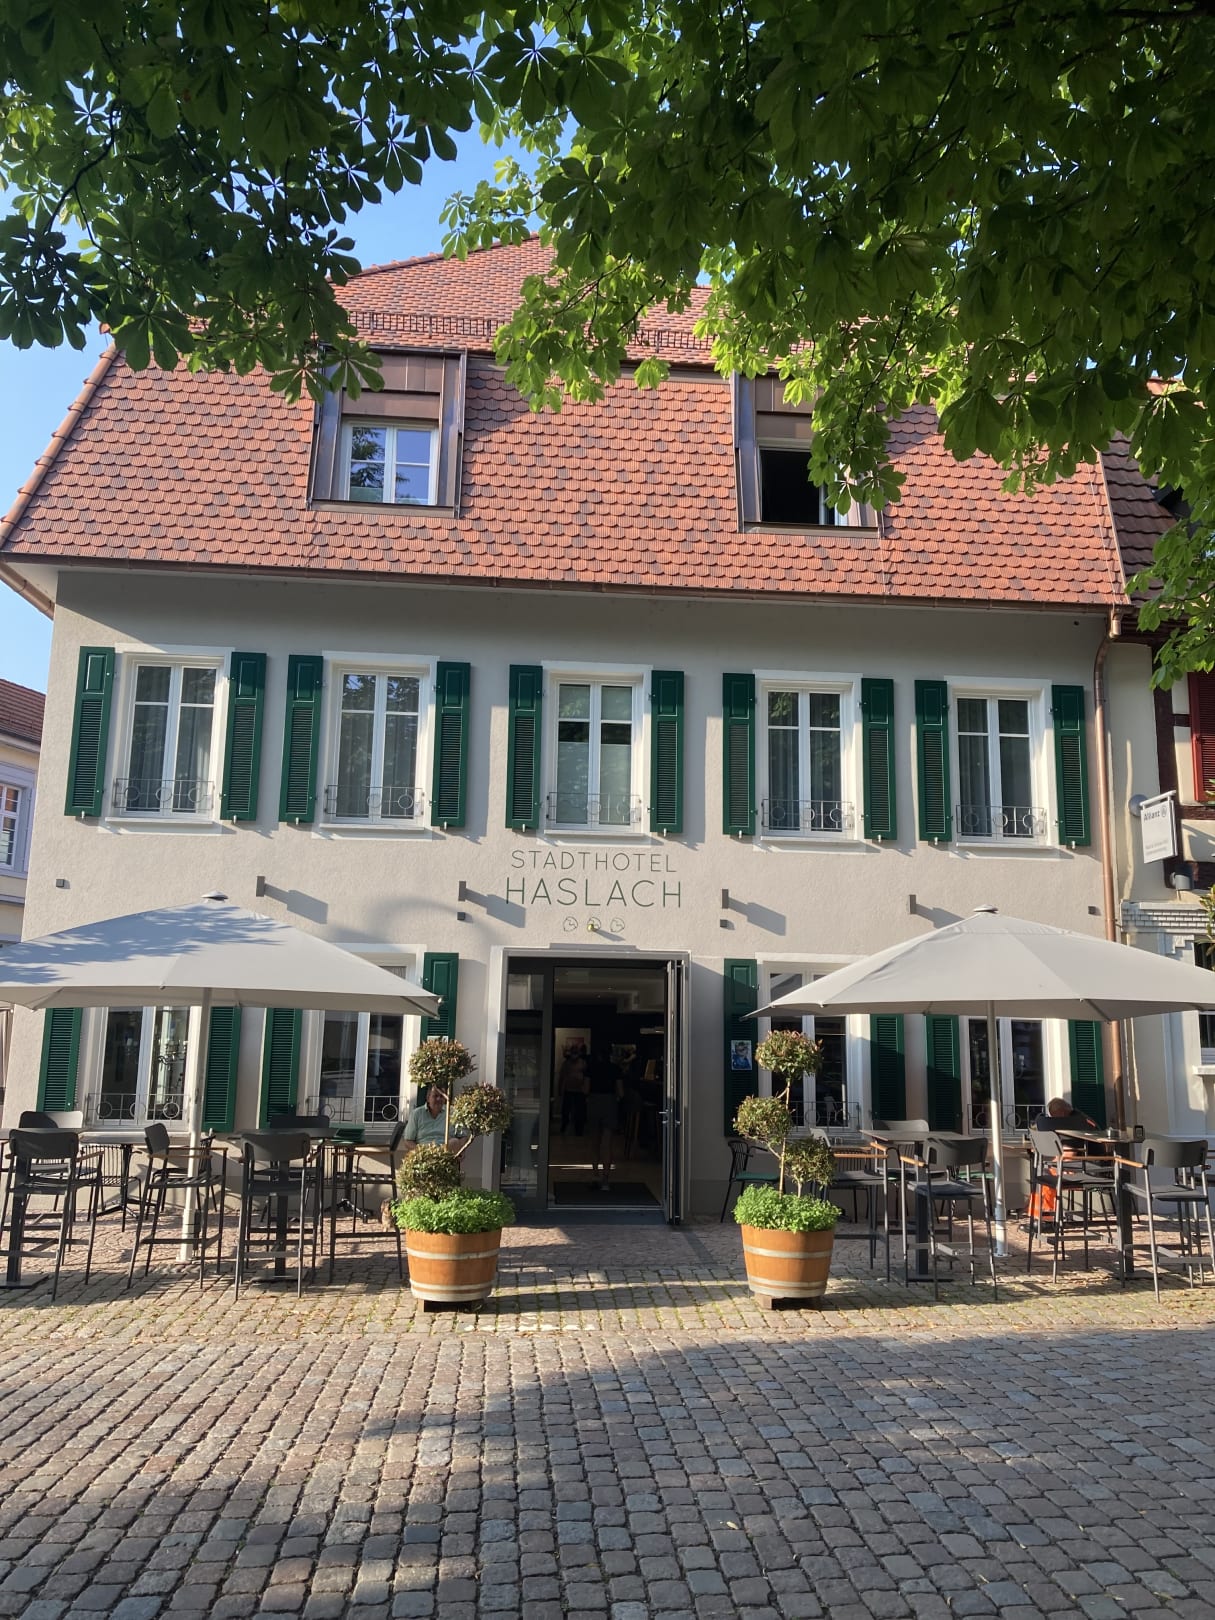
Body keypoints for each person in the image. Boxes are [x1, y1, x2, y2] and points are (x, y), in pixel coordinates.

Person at [585, 1052, 622, 1192]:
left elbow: (585, 1089)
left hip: (594, 1102)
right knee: (607, 1144)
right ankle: (605, 1178)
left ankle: (595, 1175)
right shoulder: (615, 1069)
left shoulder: (590, 1068)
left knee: (594, 1142)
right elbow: (621, 1092)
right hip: (610, 1103)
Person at [402, 1085, 452, 1151]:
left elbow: (462, 1136)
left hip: (446, 1152)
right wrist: (421, 1152)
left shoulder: (452, 1112)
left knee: (454, 1142)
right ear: (428, 1098)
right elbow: (408, 1141)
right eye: (435, 1096)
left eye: (441, 1096)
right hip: (424, 1151)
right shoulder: (416, 1114)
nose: (438, 1099)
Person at [557, 1049, 589, 1136]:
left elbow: (586, 1077)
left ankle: (578, 1129)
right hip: (569, 1090)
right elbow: (562, 1077)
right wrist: (560, 1089)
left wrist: (586, 1090)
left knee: (579, 1111)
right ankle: (564, 1126)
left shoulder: (583, 1063)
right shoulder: (566, 1063)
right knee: (566, 1110)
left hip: (579, 1090)